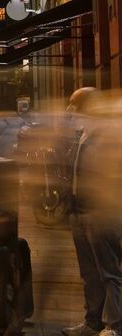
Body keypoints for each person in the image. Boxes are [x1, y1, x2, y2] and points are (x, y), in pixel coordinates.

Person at [62, 87, 122, 336]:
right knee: (89, 272)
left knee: (109, 271)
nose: (69, 109)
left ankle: (115, 325)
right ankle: (93, 321)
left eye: (73, 103)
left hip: (102, 211)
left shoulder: (109, 132)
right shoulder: (82, 132)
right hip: (81, 210)